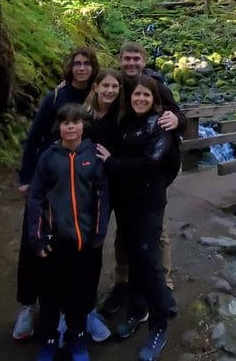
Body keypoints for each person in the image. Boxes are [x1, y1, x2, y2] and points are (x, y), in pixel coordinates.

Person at [14, 49, 102, 341]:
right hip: (48, 177)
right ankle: (28, 304)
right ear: (69, 67)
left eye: (86, 63)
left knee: (82, 247)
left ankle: (81, 309)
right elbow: (35, 135)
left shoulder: (99, 95)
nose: (81, 68)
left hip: (82, 184)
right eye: (76, 63)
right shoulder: (55, 97)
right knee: (34, 244)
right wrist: (26, 177)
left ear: (94, 68)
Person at [100, 42, 184, 315]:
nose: (131, 63)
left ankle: (164, 285)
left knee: (157, 232)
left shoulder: (156, 86)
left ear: (144, 59)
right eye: (127, 58)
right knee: (124, 231)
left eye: (136, 58)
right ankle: (122, 282)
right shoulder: (116, 85)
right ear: (120, 60)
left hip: (153, 171)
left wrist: (176, 120)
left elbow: (179, 115)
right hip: (124, 169)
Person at [96, 76, 176, 361]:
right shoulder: (127, 122)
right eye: (136, 95)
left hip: (149, 203)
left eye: (145, 95)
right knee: (134, 258)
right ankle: (135, 311)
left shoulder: (160, 125)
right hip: (128, 202)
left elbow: (151, 161)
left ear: (154, 99)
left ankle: (159, 326)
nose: (139, 99)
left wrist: (111, 163)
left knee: (149, 261)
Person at [26, 104, 110, 361]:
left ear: (83, 125)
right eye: (65, 123)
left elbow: (102, 196)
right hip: (54, 240)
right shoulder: (49, 158)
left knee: (78, 293)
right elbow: (36, 197)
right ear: (58, 127)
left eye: (75, 122)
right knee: (50, 293)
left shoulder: (93, 156)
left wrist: (98, 232)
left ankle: (76, 338)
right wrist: (37, 236)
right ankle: (50, 339)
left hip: (83, 240)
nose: (70, 127)